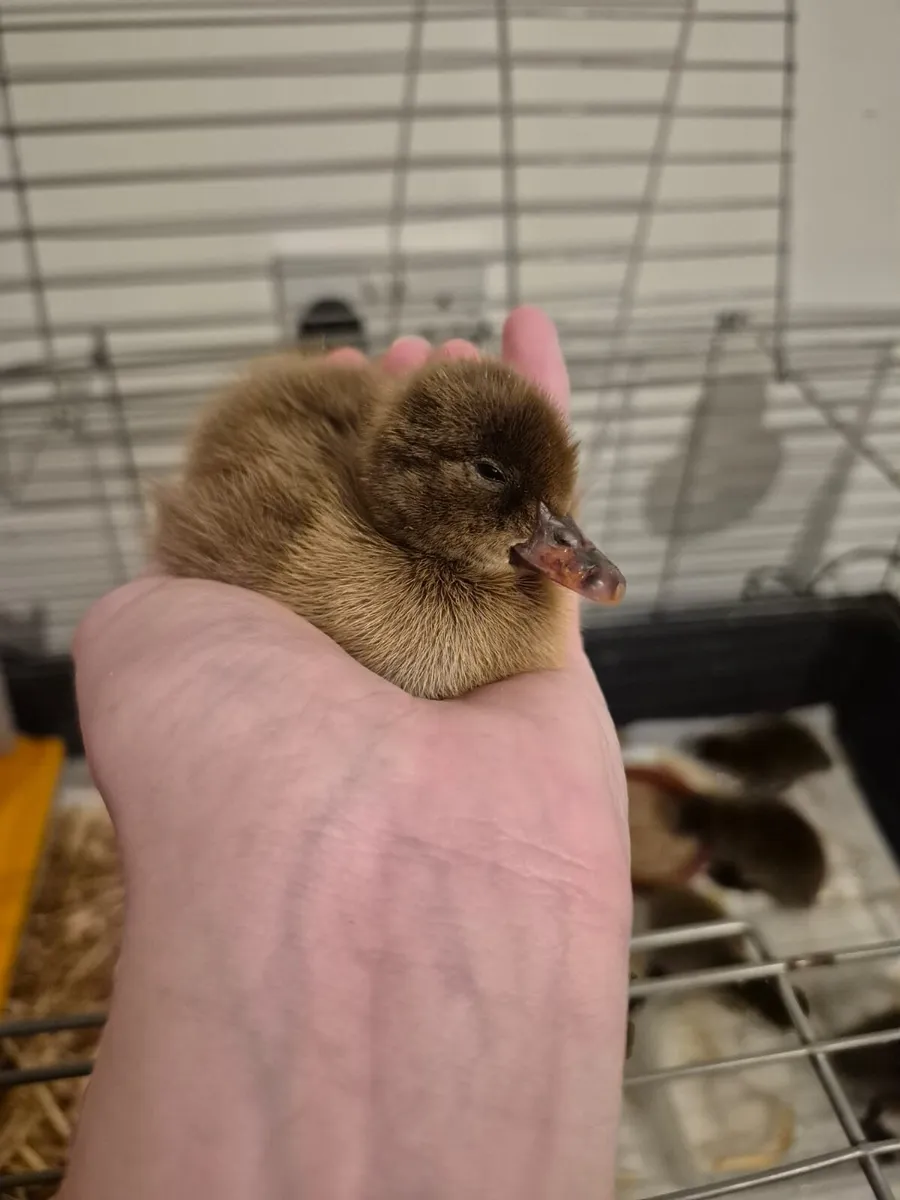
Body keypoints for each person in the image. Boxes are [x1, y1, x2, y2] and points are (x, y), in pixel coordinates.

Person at [61, 307, 631, 1200]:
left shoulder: (501, 581)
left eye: (555, 511)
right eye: (494, 480)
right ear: (414, 471)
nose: (568, 545)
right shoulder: (322, 559)